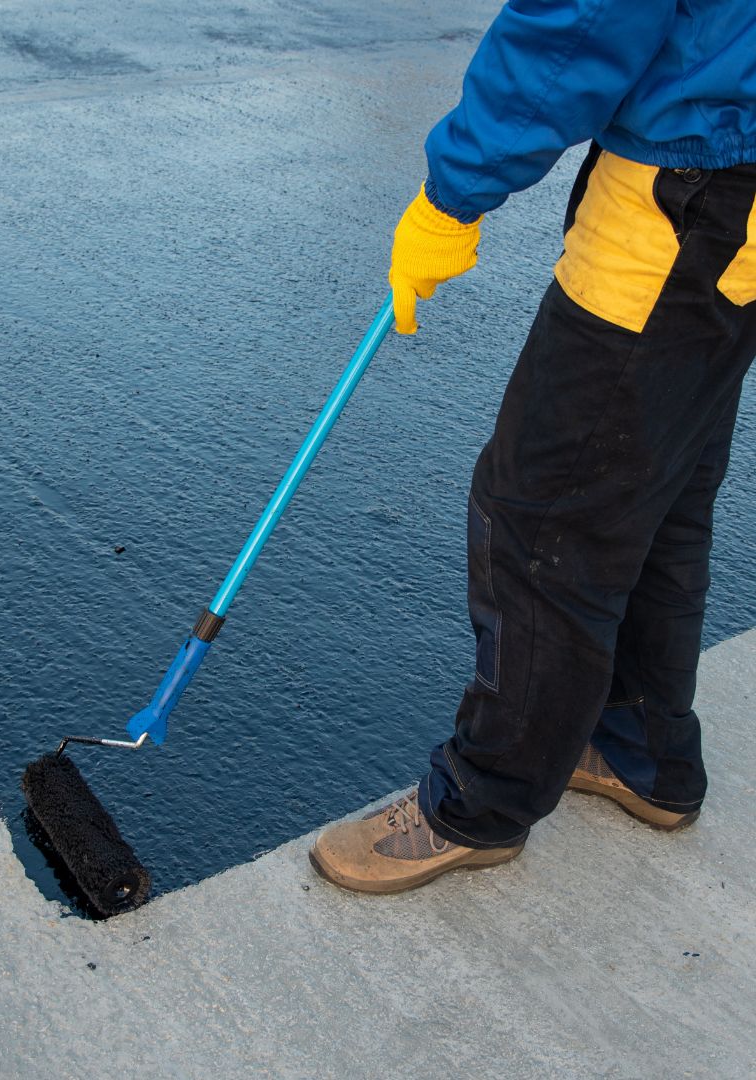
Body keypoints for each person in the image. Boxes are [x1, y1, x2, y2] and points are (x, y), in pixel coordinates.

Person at [310, 0, 756, 894]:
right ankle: (643, 751)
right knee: (659, 500)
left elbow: (583, 23)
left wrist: (454, 193)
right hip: (735, 196)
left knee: (542, 519)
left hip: (680, 199)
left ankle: (481, 803)